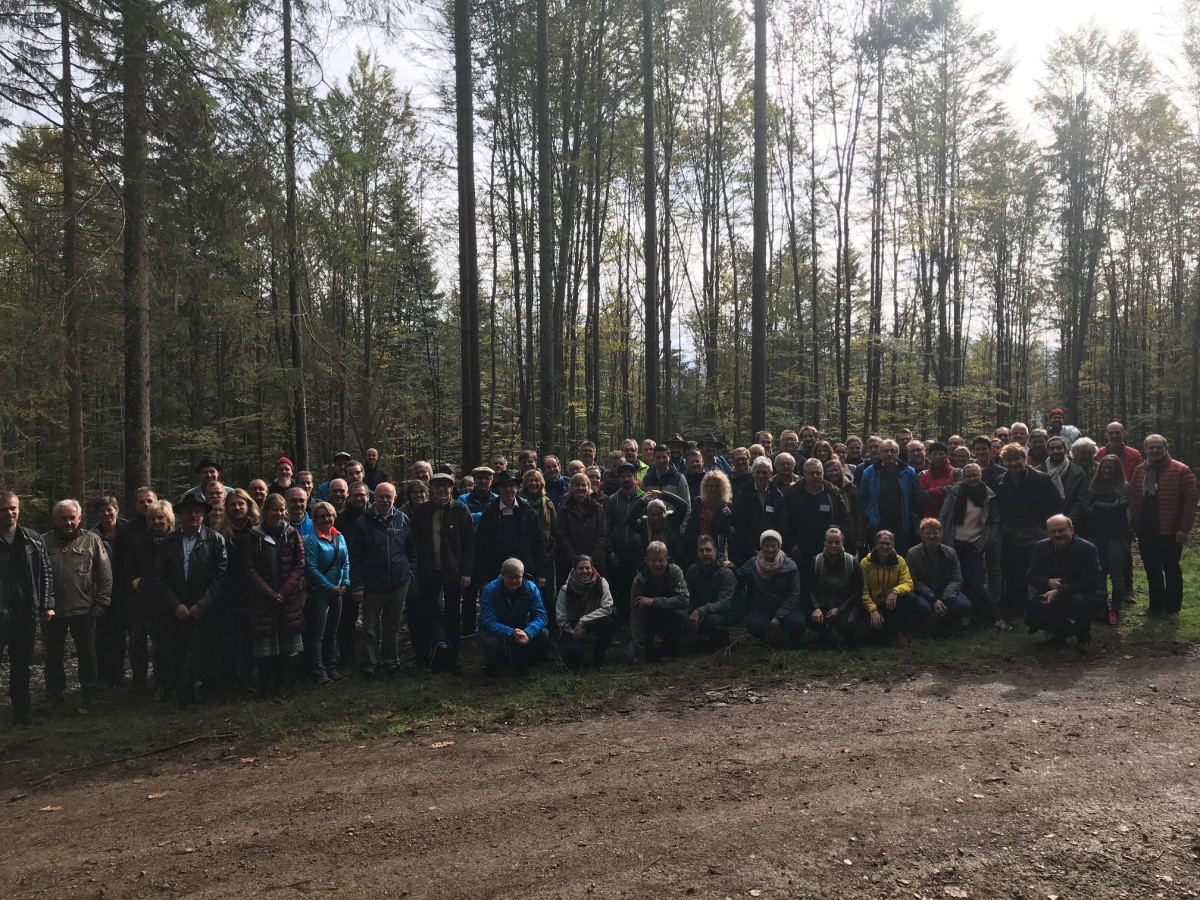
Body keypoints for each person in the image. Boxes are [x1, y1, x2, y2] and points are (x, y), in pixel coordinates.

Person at [155, 490, 228, 704]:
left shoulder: (215, 539)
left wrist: (203, 604)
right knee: (176, 653)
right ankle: (182, 695)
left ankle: (209, 694)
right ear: (181, 515)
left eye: (197, 512)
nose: (193, 516)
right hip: (177, 609)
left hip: (206, 608)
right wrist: (175, 604)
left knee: (208, 652)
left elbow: (221, 575)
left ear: (204, 515)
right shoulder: (169, 542)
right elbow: (160, 576)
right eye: (188, 512)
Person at [42, 499, 111, 709]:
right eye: (63, 518)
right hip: (53, 609)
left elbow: (105, 572)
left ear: (80, 518)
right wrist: (41, 605)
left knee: (87, 653)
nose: (68, 522)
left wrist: (103, 600)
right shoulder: (43, 542)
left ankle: (90, 693)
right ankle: (54, 694)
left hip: (84, 607)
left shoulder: (92, 540)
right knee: (53, 655)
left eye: (72, 517)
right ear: (55, 519)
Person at [408, 473, 475, 672]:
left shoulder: (461, 510)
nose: (442, 490)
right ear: (432, 489)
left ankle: (452, 658)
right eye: (438, 486)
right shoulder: (422, 512)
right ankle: (429, 656)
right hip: (428, 572)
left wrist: (467, 571)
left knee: (453, 616)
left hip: (453, 572)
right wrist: (415, 571)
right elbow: (413, 543)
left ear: (452, 489)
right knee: (428, 614)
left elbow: (470, 543)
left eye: (446, 486)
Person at [349, 482, 416, 679]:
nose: (385, 500)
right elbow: (355, 556)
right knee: (369, 630)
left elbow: (412, 549)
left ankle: (391, 662)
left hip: (397, 584)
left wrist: (410, 572)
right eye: (381, 497)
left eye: (389, 497)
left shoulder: (403, 520)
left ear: (395, 498)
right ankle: (369, 665)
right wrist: (358, 584)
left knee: (392, 628)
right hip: (371, 586)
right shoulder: (363, 522)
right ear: (373, 498)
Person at [0, 491, 55, 725]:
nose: (9, 513)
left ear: (19, 509)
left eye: (13, 508)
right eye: (3, 509)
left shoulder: (32, 539)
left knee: (21, 666)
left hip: (26, 614)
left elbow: (45, 573)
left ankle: (23, 715)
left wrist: (46, 605)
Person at [244, 493, 306, 698]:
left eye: (281, 510)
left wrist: (285, 590)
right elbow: (250, 569)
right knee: (265, 647)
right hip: (263, 600)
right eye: (274, 510)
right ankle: (264, 689)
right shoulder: (253, 536)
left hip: (288, 599)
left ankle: (280, 687)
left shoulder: (291, 534)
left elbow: (299, 564)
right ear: (265, 511)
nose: (278, 514)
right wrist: (270, 593)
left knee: (285, 646)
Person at [1130, 435, 1198, 619]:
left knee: (1171, 568)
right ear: (1145, 449)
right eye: (1151, 447)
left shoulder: (1180, 470)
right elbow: (1135, 500)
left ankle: (1173, 608)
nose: (1154, 451)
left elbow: (1190, 501)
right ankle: (1156, 605)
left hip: (1170, 529)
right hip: (1146, 528)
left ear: (1166, 448)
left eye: (1158, 447)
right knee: (1151, 568)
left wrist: (1184, 528)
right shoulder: (1139, 470)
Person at [995, 442, 1062, 619]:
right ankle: (1017, 606)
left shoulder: (1041, 479)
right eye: (1008, 460)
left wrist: (1045, 527)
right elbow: (999, 508)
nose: (1013, 463)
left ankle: (1042, 606)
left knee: (1037, 570)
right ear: (1003, 462)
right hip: (1012, 533)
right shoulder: (1001, 482)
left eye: (1016, 458)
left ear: (1024, 459)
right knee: (1013, 571)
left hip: (1036, 532)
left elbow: (1056, 505)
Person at [939, 464, 1007, 631]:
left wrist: (985, 540)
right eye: (968, 475)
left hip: (974, 545)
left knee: (977, 585)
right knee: (962, 584)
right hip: (954, 545)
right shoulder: (955, 494)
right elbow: (944, 515)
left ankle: (997, 617)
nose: (972, 478)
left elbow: (995, 521)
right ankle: (966, 616)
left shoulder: (988, 496)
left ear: (980, 475)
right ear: (963, 477)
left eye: (975, 475)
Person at [1025, 515, 1103, 650]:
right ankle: (1064, 630)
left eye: (1061, 530)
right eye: (1052, 532)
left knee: (1079, 602)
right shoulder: (1040, 547)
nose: (1057, 535)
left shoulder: (1087, 549)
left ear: (1071, 529)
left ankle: (1084, 637)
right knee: (1031, 617)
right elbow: (1030, 575)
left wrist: (1061, 591)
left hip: (1081, 593)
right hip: (1049, 592)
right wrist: (1048, 582)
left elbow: (1092, 581)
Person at [474, 470, 549, 609]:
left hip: (526, 571)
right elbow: (481, 547)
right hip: (495, 572)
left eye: (512, 485)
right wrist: (483, 578)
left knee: (525, 609)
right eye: (504, 486)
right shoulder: (489, 513)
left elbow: (539, 543)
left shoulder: (528, 511)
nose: (508, 489)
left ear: (517, 487)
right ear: (498, 489)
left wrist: (542, 572)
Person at [110, 487, 157, 687]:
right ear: (135, 505)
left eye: (149, 501)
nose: (145, 505)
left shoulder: (166, 524)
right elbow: (118, 563)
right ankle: (139, 680)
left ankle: (162, 678)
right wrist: (127, 587)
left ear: (156, 501)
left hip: (162, 594)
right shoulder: (127, 530)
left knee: (160, 640)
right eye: (141, 502)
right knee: (137, 640)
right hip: (136, 595)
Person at [216, 488, 260, 693]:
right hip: (228, 594)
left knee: (250, 640)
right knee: (228, 641)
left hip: (254, 593)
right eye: (232, 504)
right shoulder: (220, 533)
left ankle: (249, 680)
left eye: (241, 503)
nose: (237, 507)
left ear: (249, 505)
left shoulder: (259, 530)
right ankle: (229, 681)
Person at [302, 502, 350, 684]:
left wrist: (345, 582)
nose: (326, 519)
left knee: (332, 633)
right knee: (317, 635)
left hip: (337, 593)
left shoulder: (340, 537)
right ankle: (318, 671)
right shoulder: (312, 542)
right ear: (315, 519)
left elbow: (345, 563)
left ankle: (332, 668)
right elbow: (311, 569)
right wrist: (329, 587)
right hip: (319, 595)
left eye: (329, 515)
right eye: (322, 516)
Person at [1080, 456, 1130, 625]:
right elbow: (1085, 508)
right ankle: (1100, 608)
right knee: (1098, 576)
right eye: (1104, 468)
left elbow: (1121, 507)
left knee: (1117, 577)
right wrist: (1108, 512)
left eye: (1111, 468)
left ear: (1117, 470)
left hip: (1117, 538)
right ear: (1100, 469)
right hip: (1096, 538)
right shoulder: (1094, 487)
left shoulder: (1123, 487)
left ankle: (1115, 609)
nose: (1107, 471)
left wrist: (1098, 507)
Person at [479, 558, 548, 677]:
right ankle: (493, 664)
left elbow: (541, 615)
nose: (514, 581)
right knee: (492, 643)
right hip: (496, 627)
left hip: (521, 626)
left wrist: (528, 633)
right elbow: (487, 620)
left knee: (543, 634)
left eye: (518, 577)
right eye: (510, 577)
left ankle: (522, 660)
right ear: (503, 575)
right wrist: (510, 632)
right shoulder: (490, 589)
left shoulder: (531, 588)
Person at [784, 458, 849, 585]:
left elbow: (845, 519)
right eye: (811, 473)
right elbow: (783, 521)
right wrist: (789, 544)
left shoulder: (833, 493)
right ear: (804, 474)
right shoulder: (792, 494)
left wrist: (838, 542)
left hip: (826, 549)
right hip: (799, 549)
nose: (815, 476)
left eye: (818, 473)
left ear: (823, 474)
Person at [737, 529, 805, 648]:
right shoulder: (753, 563)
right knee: (755, 625)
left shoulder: (790, 566)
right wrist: (729, 566)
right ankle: (764, 642)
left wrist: (779, 616)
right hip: (762, 606)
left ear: (779, 546)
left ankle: (791, 642)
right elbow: (738, 575)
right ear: (761, 546)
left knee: (797, 624)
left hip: (787, 607)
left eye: (774, 545)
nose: (770, 549)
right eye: (766, 545)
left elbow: (794, 594)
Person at [905, 519, 970, 633]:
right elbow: (912, 580)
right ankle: (925, 626)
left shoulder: (951, 553)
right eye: (928, 533)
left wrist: (945, 599)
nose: (932, 536)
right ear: (922, 535)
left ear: (940, 534)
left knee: (964, 605)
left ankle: (940, 626)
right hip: (924, 595)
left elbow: (956, 579)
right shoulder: (912, 553)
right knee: (921, 607)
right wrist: (933, 599)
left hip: (945, 593)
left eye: (935, 533)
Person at [90, 496, 128, 689]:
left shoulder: (128, 530)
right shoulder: (91, 536)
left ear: (117, 510)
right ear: (97, 514)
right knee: (103, 637)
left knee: (122, 636)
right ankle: (104, 676)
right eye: (102, 510)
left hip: (128, 591)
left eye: (110, 509)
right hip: (102, 593)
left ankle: (119, 675)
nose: (107, 513)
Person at [629, 541, 689, 661]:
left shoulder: (675, 571)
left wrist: (654, 601)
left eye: (661, 560)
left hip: (670, 615)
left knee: (680, 614)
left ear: (667, 559)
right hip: (649, 620)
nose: (657, 564)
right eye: (653, 560)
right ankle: (648, 647)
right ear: (647, 560)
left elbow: (684, 599)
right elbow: (636, 616)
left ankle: (668, 649)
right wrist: (640, 650)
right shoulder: (639, 580)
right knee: (631, 656)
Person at [859, 529, 920, 646]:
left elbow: (908, 583)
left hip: (891, 603)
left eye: (888, 544)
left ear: (893, 545)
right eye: (881, 543)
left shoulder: (900, 561)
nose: (885, 546)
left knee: (911, 598)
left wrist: (895, 591)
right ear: (875, 544)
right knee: (875, 629)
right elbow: (863, 590)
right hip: (873, 604)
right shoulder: (865, 563)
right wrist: (873, 610)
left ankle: (906, 632)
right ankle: (893, 634)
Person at [555, 555, 616, 669]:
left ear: (592, 569)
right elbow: (561, 619)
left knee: (609, 623)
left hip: (592, 624)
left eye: (587, 568)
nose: (585, 571)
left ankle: (598, 658)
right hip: (571, 628)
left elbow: (607, 608)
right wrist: (576, 632)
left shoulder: (602, 583)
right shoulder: (565, 589)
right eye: (581, 568)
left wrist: (582, 622)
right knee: (574, 654)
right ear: (574, 570)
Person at [858, 439, 918, 551]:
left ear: (898, 453)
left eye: (893, 451)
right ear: (880, 453)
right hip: (879, 523)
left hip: (902, 523)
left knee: (901, 555)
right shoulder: (869, 472)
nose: (889, 454)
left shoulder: (909, 472)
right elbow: (863, 497)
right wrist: (870, 513)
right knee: (879, 555)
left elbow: (914, 496)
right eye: (886, 451)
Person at [808, 527, 863, 645]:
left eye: (837, 542)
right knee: (807, 618)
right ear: (824, 543)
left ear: (843, 543)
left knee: (847, 626)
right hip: (822, 605)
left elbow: (859, 591)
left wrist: (840, 609)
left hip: (844, 605)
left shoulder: (852, 561)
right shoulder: (816, 561)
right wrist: (816, 607)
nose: (834, 545)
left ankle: (844, 633)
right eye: (830, 542)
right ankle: (824, 633)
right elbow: (810, 588)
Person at [604, 463, 645, 621]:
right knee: (618, 585)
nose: (626, 479)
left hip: (637, 550)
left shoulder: (643, 497)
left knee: (635, 585)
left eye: (629, 475)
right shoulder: (612, 500)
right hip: (618, 550)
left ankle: (635, 618)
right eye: (623, 476)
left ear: (634, 477)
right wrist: (610, 550)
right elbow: (607, 525)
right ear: (619, 478)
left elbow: (646, 524)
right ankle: (620, 618)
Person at [519, 468, 558, 630]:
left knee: (547, 596)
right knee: (526, 595)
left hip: (546, 556)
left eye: (536, 481)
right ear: (525, 484)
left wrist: (550, 554)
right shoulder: (519, 504)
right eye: (530, 481)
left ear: (541, 483)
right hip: (525, 557)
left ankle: (550, 630)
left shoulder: (547, 503)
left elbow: (556, 531)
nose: (533, 483)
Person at [731, 456, 787, 566]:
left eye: (764, 472)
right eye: (758, 472)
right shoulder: (743, 494)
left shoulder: (777, 495)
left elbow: (782, 523)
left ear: (771, 474)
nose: (761, 475)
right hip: (748, 550)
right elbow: (740, 524)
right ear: (753, 473)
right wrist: (753, 550)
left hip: (773, 550)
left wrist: (773, 548)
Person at [685, 535, 738, 647]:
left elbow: (724, 604)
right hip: (700, 611)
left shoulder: (726, 572)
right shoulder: (692, 570)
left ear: (715, 551)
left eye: (708, 550)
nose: (705, 554)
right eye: (701, 550)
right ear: (697, 552)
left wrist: (700, 611)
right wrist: (690, 612)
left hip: (723, 613)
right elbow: (689, 596)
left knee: (712, 621)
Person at [555, 473, 607, 584]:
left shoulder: (597, 508)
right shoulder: (564, 509)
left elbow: (601, 535)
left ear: (589, 488)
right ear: (571, 488)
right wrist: (576, 561)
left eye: (584, 485)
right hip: (568, 561)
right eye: (577, 485)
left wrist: (590, 562)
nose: (581, 488)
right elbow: (561, 536)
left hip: (595, 561)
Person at [681, 470, 734, 567]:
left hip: (714, 549)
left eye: (717, 486)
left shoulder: (727, 505)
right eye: (711, 486)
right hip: (696, 546)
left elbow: (726, 532)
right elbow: (691, 526)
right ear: (706, 486)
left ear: (723, 488)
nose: (713, 489)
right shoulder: (699, 502)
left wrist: (727, 517)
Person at [1039, 436, 1087, 520]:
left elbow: (1080, 501)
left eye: (1059, 448)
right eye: (1052, 448)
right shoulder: (1038, 472)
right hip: (1044, 523)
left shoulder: (1078, 473)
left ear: (1065, 449)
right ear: (1048, 451)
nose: (1055, 451)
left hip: (1071, 522)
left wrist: (1067, 521)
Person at [824, 459, 865, 552]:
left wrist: (859, 537)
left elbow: (858, 513)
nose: (834, 473)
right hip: (827, 534)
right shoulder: (822, 489)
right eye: (830, 471)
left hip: (849, 534)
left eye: (836, 470)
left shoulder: (850, 487)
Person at [917, 442, 960, 520]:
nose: (938, 457)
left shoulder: (957, 473)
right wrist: (944, 496)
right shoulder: (922, 475)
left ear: (947, 455)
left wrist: (934, 491)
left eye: (941, 454)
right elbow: (921, 498)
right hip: (928, 522)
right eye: (934, 454)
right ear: (929, 456)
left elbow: (957, 493)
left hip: (952, 520)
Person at [641, 443, 690, 509]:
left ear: (669, 457)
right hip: (652, 518)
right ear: (654, 458)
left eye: (664, 457)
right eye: (658, 457)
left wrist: (683, 519)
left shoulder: (679, 478)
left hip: (674, 518)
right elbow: (642, 504)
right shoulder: (646, 479)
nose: (661, 460)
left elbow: (687, 505)